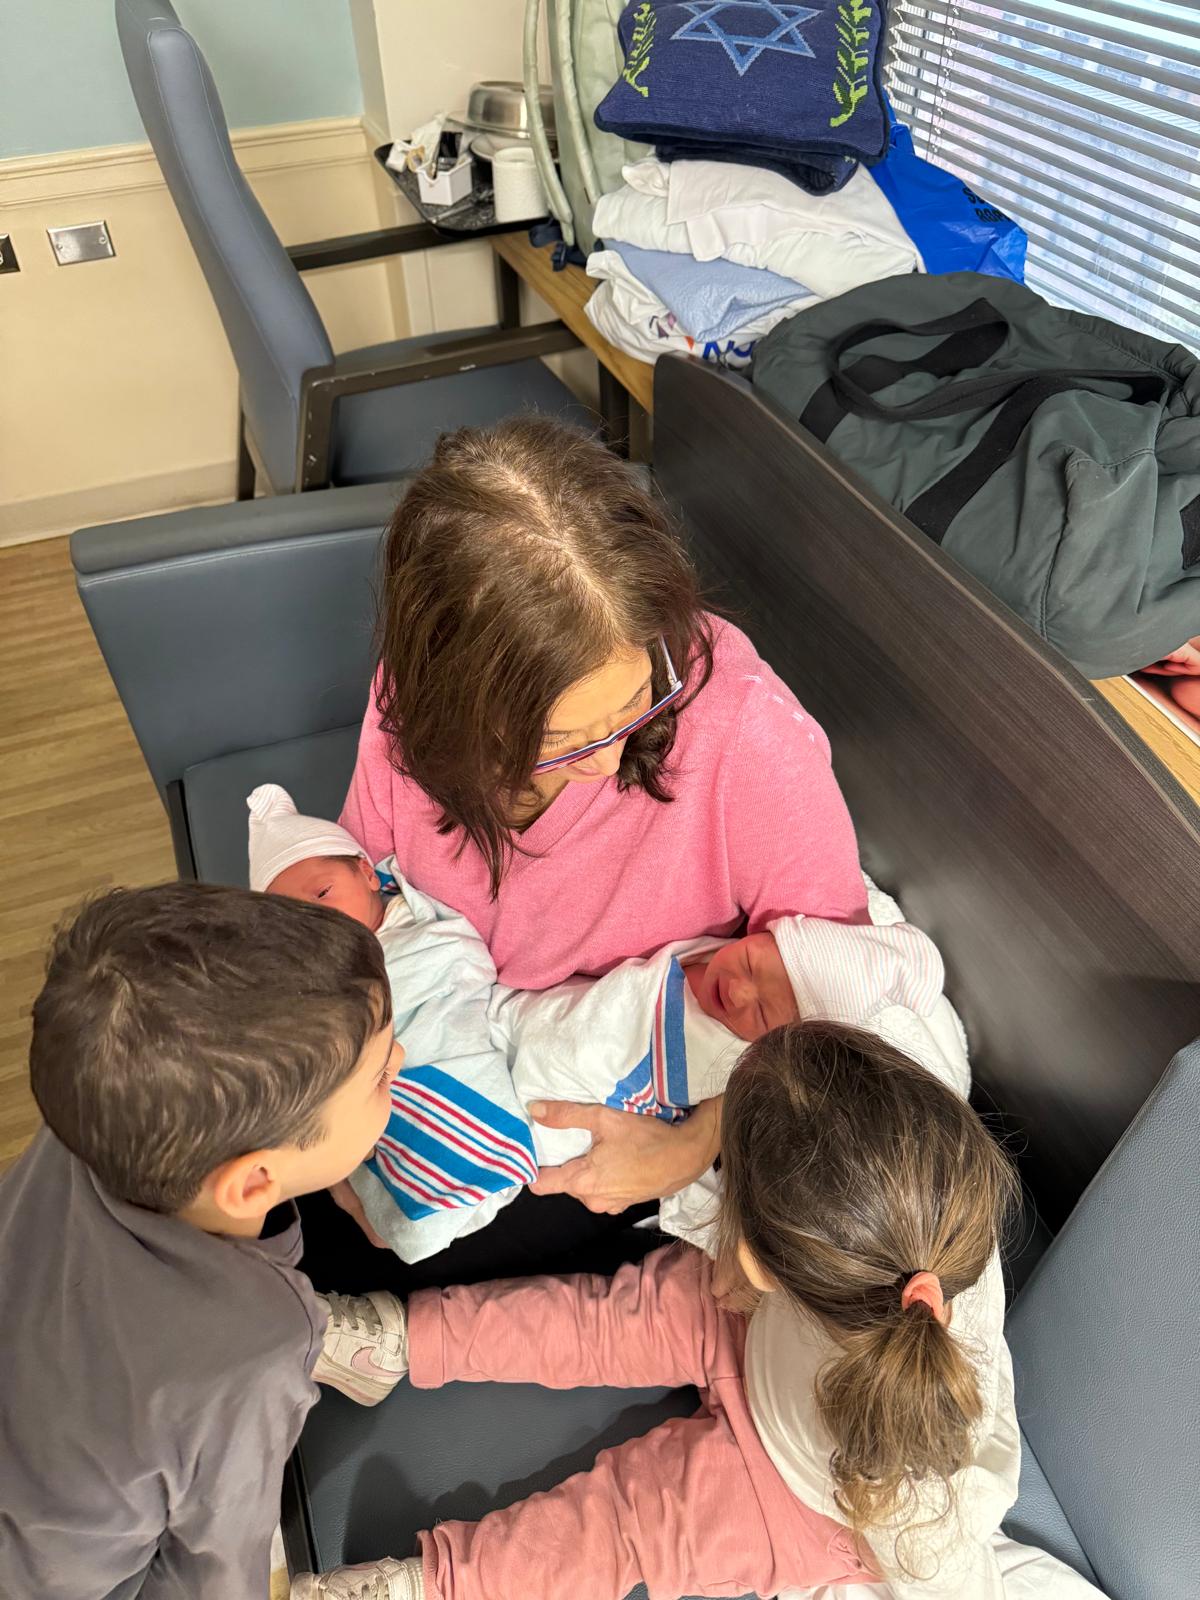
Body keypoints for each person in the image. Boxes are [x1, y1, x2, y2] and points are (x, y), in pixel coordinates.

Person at [291, 1019, 1103, 1600]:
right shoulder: (905, 1199)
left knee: (628, 1526)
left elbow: (955, 1580)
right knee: (602, 1318)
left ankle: (430, 1587)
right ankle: (393, 1344)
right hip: (767, 1331)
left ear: (754, 1261)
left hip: (808, 1497)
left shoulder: (918, 1495)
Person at [322, 414, 867, 1275]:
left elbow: (844, 1014)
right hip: (443, 1049)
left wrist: (693, 1145)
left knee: (334, 1265)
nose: (612, 760)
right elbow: (359, 907)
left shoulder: (748, 738)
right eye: (565, 741)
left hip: (621, 1113)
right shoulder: (409, 707)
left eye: (636, 706)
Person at [251, 785, 965, 1263]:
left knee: (351, 1220)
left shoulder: (753, 780)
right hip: (488, 1035)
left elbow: (854, 1048)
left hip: (552, 1117)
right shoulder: (394, 802)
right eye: (754, 962)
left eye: (764, 1011)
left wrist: (695, 1142)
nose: (739, 988)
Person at [0, 883, 411, 1600]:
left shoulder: (105, 1109)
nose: (400, 1061)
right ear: (253, 1183)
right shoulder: (256, 1346)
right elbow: (218, 1561)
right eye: (379, 1077)